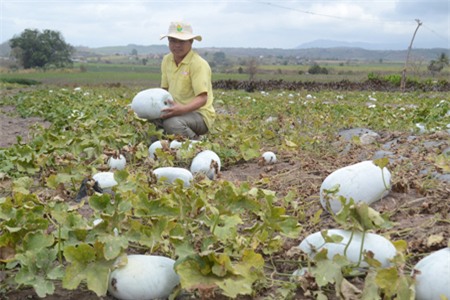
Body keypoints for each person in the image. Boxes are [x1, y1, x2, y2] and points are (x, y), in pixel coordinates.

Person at [157, 21, 215, 140]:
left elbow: (202, 98)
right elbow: (164, 91)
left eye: (182, 41)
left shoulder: (198, 64)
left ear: (191, 42)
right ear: (168, 41)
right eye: (173, 40)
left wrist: (182, 109)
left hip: (199, 115)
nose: (177, 45)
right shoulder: (167, 60)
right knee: (149, 119)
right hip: (175, 110)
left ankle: (197, 143)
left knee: (171, 124)